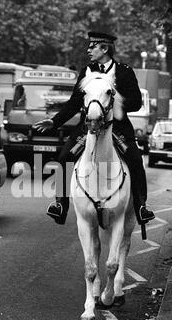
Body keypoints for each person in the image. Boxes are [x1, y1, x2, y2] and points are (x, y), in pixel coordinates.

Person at [34, 31, 155, 226]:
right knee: (64, 157)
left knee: (135, 160)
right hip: (88, 128)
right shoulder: (86, 71)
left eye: (92, 46)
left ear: (104, 48)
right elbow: (74, 102)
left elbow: (136, 103)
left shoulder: (124, 71)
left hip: (117, 129)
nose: (88, 50)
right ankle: (60, 205)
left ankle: (141, 206)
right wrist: (54, 121)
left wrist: (114, 101)